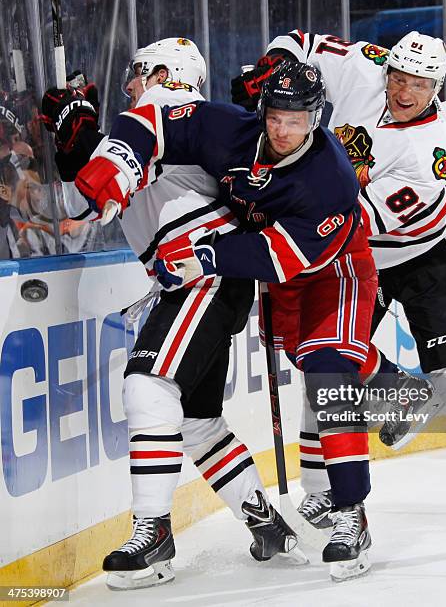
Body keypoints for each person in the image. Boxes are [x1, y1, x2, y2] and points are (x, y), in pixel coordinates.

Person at [74, 60, 377, 582]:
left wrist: (206, 258)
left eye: (297, 119)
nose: (283, 130)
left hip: (331, 266)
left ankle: (351, 508)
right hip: (240, 266)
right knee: (195, 418)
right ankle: (266, 523)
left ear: (317, 118)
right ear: (263, 111)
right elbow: (147, 128)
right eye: (276, 116)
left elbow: (282, 255)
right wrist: (112, 163)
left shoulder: (330, 178)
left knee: (328, 369)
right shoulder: (228, 126)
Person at [231, 30, 446, 539]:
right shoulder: (363, 65)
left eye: (418, 83)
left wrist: (274, 209)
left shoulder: (436, 149)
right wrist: (276, 64)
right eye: (398, 77)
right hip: (352, 255)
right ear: (386, 68)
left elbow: (354, 215)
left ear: (436, 87)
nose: (403, 91)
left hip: (420, 257)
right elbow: (302, 42)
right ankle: (323, 489)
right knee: (324, 364)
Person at [41, 38, 305, 590]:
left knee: (147, 385)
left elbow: (100, 188)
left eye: (137, 73)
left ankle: (153, 534)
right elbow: (95, 184)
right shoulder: (174, 119)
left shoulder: (168, 107)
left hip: (203, 274)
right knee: (194, 420)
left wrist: (79, 133)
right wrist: (74, 136)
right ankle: (267, 525)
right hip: (202, 278)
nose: (129, 84)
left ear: (164, 73)